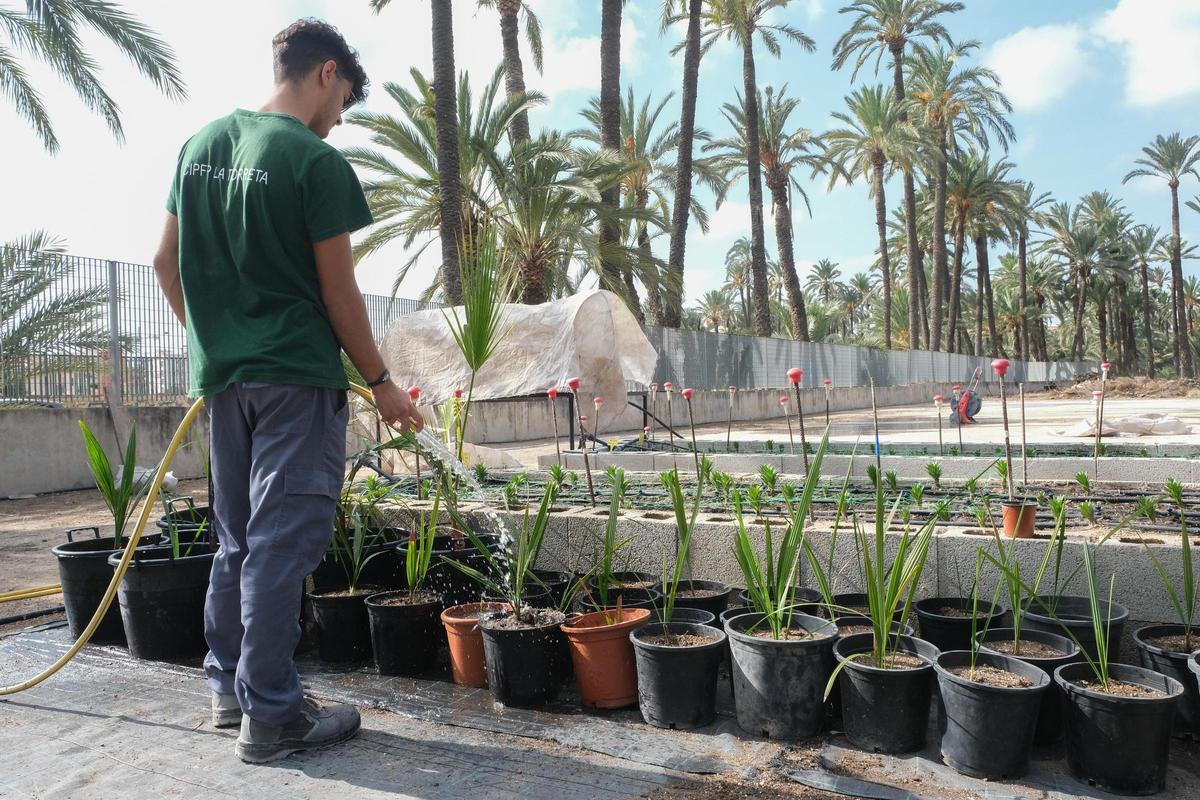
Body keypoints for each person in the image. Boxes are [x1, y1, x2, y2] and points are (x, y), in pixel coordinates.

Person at [152, 18, 422, 764]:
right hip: (296, 381)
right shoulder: (312, 161)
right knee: (279, 542)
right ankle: (273, 716)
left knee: (238, 539)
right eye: (344, 107)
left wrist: (221, 341)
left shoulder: (200, 147)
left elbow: (164, 265)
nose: (338, 125)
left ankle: (231, 692)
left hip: (226, 381)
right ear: (327, 74)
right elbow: (341, 297)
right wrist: (383, 383)